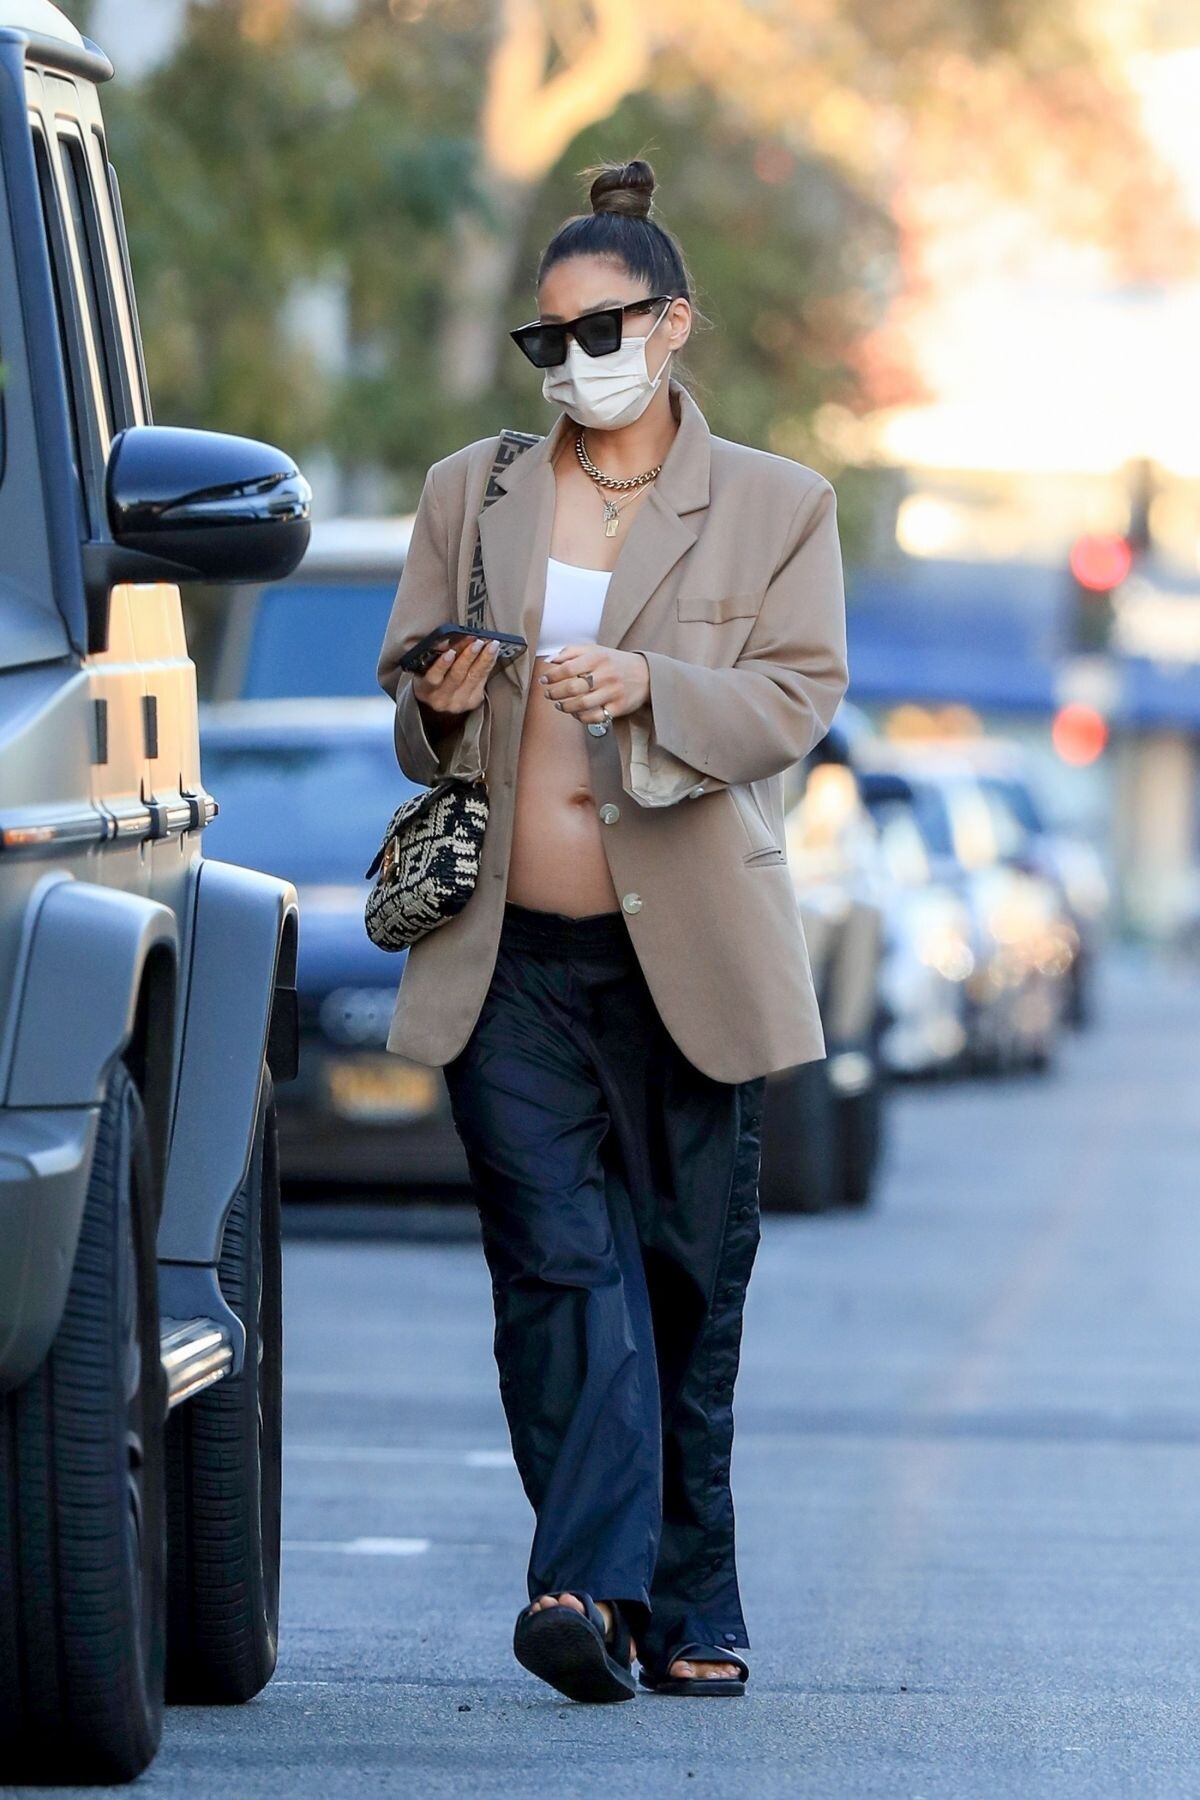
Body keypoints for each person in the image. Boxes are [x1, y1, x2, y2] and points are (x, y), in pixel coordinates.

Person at [376, 156, 848, 1703]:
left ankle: (691, 1602)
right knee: (555, 1268)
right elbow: (416, 722)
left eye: (602, 330)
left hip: (690, 961)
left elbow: (795, 701)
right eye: (550, 338)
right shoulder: (474, 491)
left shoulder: (777, 503)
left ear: (671, 324)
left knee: (683, 1287)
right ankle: (580, 1586)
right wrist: (446, 701)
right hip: (506, 958)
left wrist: (650, 687)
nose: (576, 361)